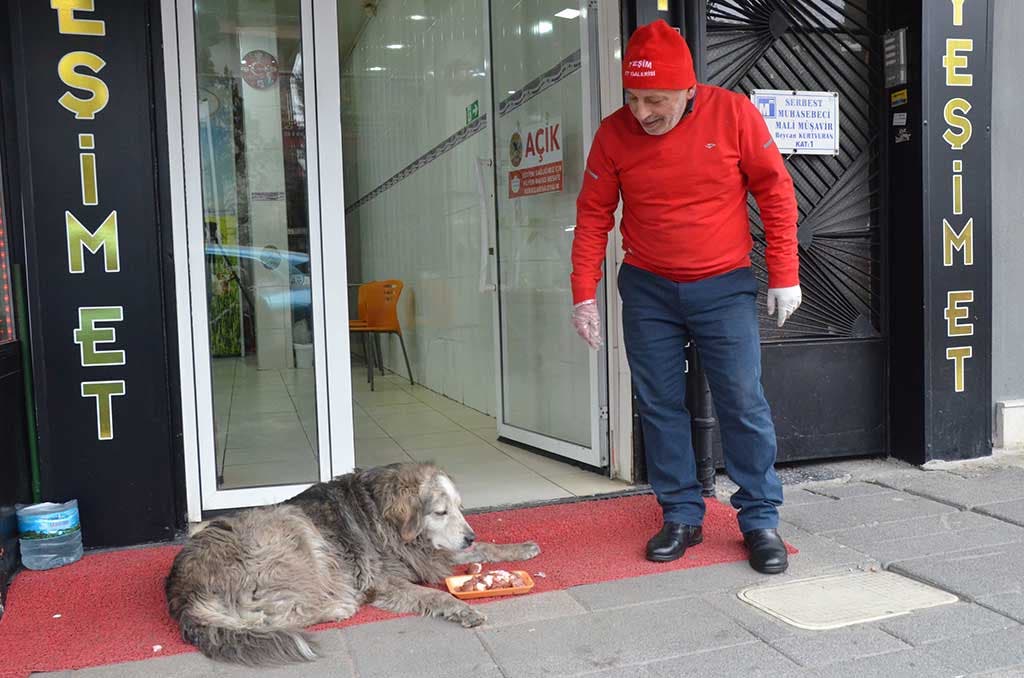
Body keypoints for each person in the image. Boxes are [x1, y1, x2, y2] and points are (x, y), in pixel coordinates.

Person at [570, 19, 801, 574]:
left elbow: (774, 188)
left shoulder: (734, 114)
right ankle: (681, 514)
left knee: (742, 399)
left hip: (723, 284)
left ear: (688, 90)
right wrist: (583, 293)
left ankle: (759, 519)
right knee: (658, 403)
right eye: (633, 97)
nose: (643, 111)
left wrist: (784, 274)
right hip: (648, 286)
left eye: (656, 99)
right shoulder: (612, 133)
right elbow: (594, 213)